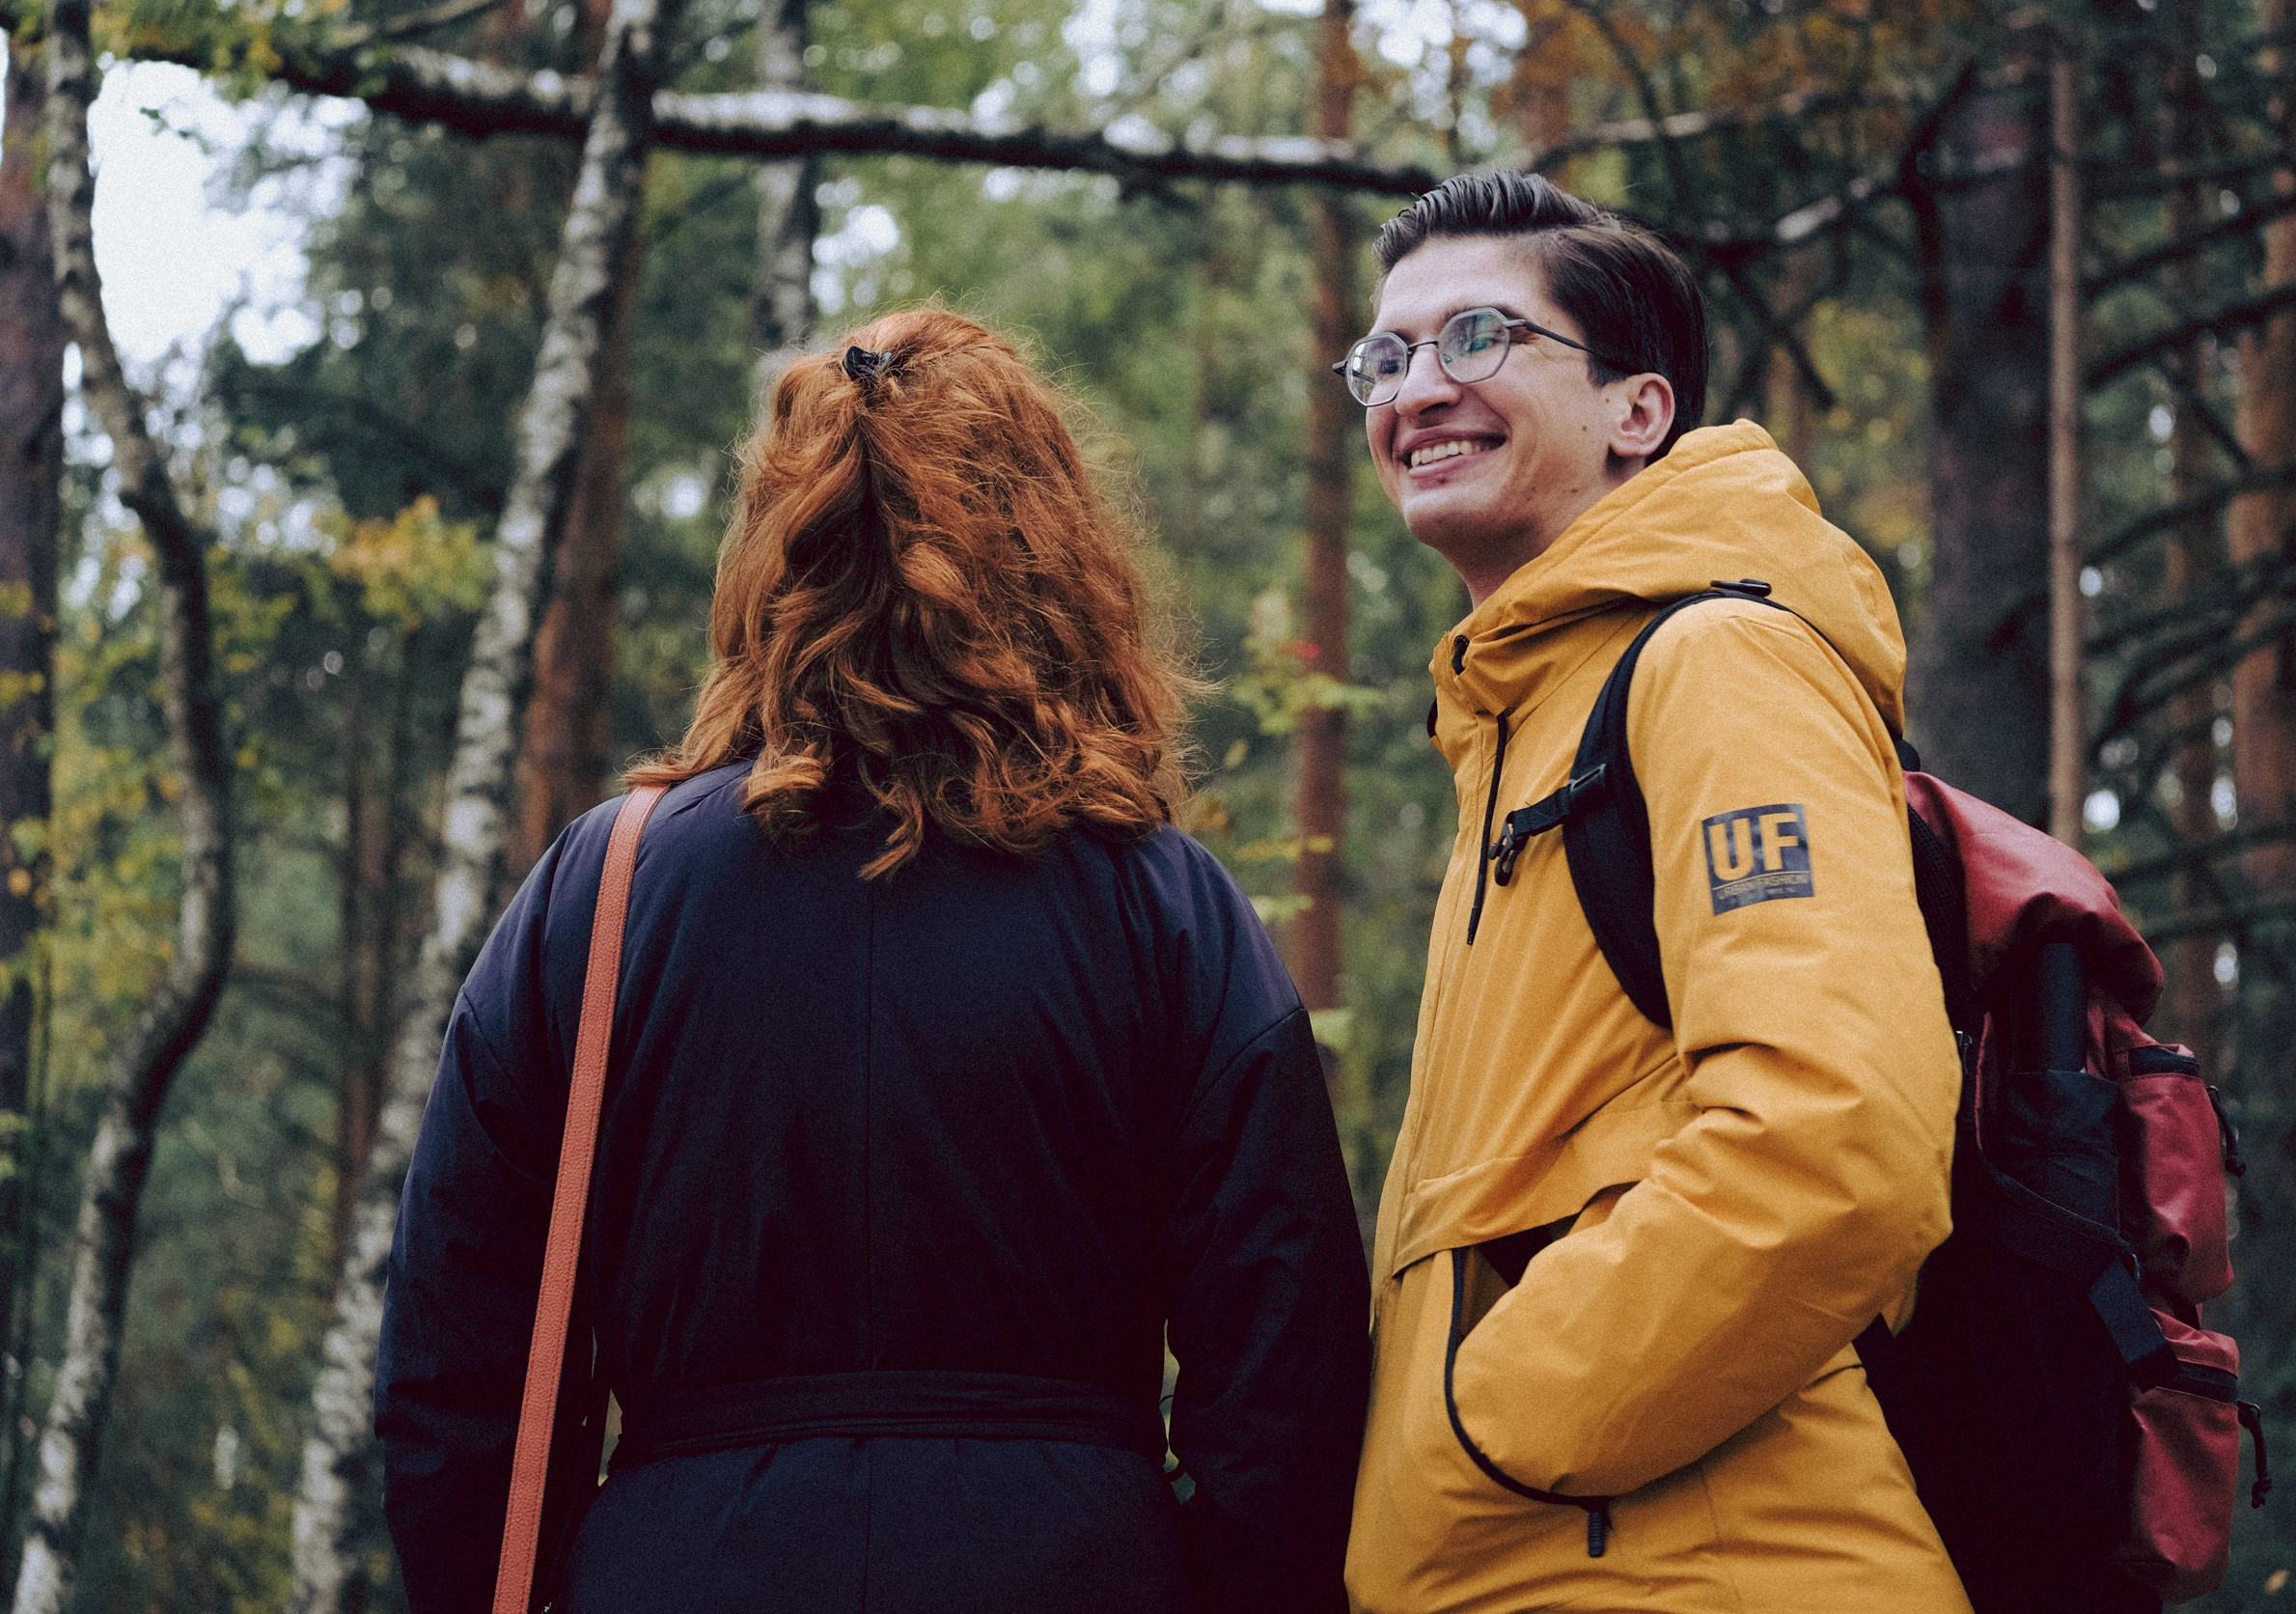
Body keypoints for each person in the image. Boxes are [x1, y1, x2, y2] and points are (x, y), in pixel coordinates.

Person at [375, 308, 1370, 1614]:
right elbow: (1287, 1367)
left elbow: (454, 1368)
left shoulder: (599, 893)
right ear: (1054, 552)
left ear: (771, 558)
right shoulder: (1163, 907)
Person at [1341, 170, 1972, 1612]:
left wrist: (1490, 1422)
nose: (1417, 391)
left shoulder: (1716, 663)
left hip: (1699, 1568)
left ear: (1639, 410)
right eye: (1387, 357)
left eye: (1479, 337)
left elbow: (1838, 1138)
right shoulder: (1517, 725)